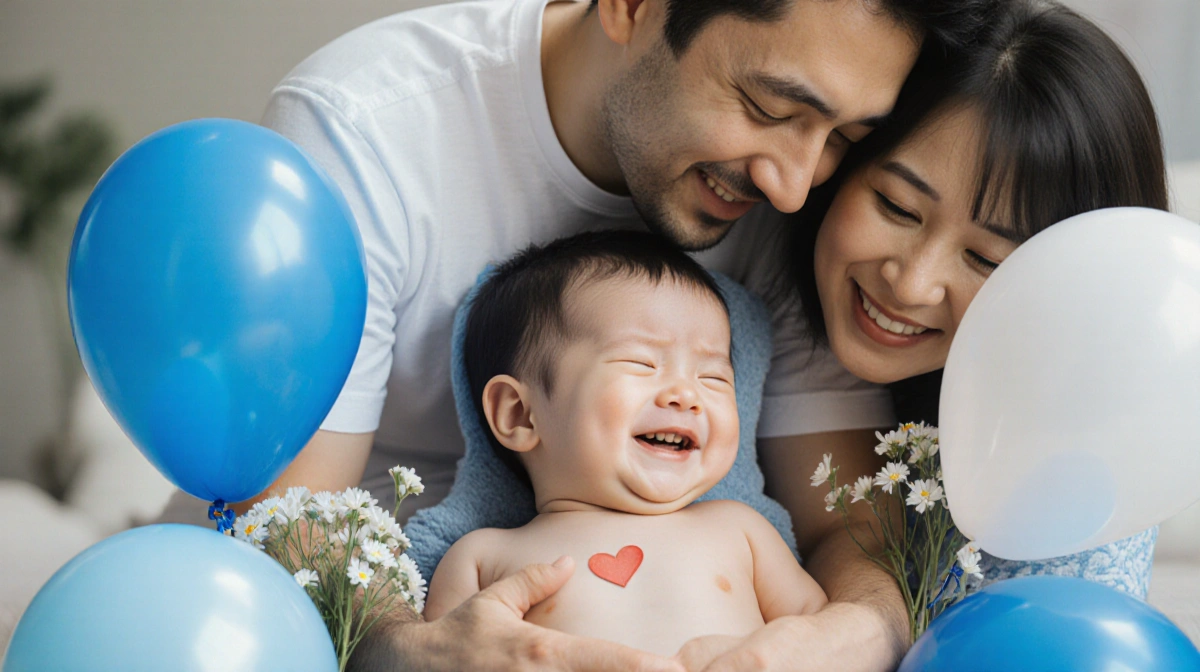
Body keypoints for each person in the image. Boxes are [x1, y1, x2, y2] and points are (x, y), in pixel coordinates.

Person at [154, 1, 994, 671]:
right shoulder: (370, 130)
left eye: (845, 137)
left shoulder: (793, 194)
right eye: (768, 107)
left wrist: (858, 629)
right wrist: (415, 649)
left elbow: (846, 519)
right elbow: (299, 518)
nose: (794, 184)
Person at [761, 0, 1167, 599]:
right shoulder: (736, 269)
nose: (911, 283)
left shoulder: (1071, 487)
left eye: (986, 261)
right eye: (897, 207)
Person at [423, 230, 827, 665]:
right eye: (641, 363)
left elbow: (826, 638)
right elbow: (438, 656)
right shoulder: (483, 557)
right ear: (520, 414)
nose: (686, 395)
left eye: (713, 377)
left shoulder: (744, 533)